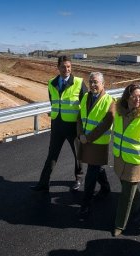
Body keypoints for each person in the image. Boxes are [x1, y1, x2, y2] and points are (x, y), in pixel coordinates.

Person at [31, 56, 88, 192]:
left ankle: (78, 179)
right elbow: (53, 102)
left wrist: (83, 127)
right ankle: (43, 183)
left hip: (73, 126)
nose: (66, 69)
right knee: (52, 154)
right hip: (57, 124)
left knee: (77, 154)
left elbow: (85, 105)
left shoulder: (79, 82)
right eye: (63, 67)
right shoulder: (51, 83)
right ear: (58, 67)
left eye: (68, 66)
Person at [112, 84, 140, 236]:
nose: (137, 99)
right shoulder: (119, 113)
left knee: (125, 195)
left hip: (135, 161)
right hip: (120, 157)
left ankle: (120, 224)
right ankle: (139, 200)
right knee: (126, 184)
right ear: (127, 97)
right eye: (134, 96)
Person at [77, 72, 115, 219]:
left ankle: (85, 205)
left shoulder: (110, 101)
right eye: (91, 82)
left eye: (96, 82)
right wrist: (80, 134)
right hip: (85, 139)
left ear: (103, 84)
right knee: (97, 167)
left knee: (91, 174)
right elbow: (80, 117)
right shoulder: (86, 97)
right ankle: (105, 188)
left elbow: (106, 124)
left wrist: (89, 137)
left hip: (98, 143)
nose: (93, 85)